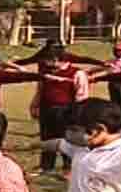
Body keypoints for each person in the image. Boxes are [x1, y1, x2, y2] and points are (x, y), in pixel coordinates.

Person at [28, 48, 90, 178]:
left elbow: (82, 93)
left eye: (47, 60)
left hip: (66, 110)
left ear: (57, 60)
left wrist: (78, 112)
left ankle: (69, 168)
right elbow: (40, 90)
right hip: (47, 109)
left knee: (66, 139)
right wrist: (34, 105)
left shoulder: (77, 73)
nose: (44, 62)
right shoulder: (45, 73)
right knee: (47, 138)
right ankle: (46, 166)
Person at [13, 38, 106, 70]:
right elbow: (26, 61)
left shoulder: (62, 54)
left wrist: (101, 63)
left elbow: (84, 59)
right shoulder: (43, 54)